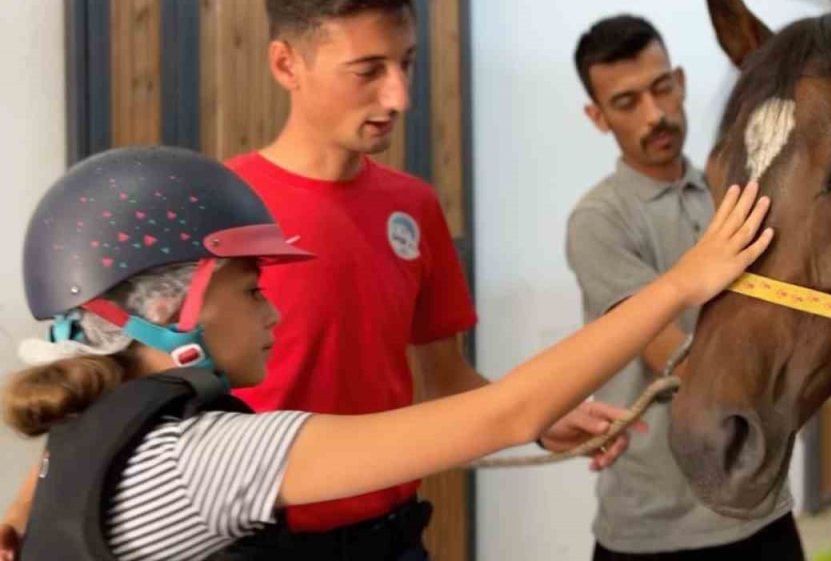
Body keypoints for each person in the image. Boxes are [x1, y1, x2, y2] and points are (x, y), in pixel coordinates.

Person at [1, 145, 773, 560]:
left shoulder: (81, 435)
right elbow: (507, 413)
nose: (272, 311)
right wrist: (680, 283)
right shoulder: (206, 460)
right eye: (250, 289)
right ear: (170, 313)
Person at [567, 15, 803, 560]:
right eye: (627, 103)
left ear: (681, 81)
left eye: (661, 89)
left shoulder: (735, 194)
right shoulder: (601, 219)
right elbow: (665, 347)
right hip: (656, 528)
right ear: (597, 117)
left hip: (761, 507)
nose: (655, 115)